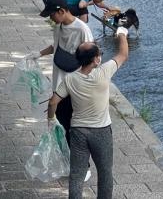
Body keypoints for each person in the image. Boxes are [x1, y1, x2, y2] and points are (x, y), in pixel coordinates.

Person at [47, 26, 129, 199]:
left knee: (77, 175)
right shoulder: (103, 72)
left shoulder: (70, 79)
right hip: (102, 131)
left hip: (78, 132)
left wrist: (51, 119)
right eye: (99, 54)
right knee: (105, 173)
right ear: (96, 60)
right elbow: (123, 54)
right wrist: (122, 33)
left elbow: (53, 101)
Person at [37, 0, 94, 157]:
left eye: (52, 14)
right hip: (59, 85)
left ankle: (84, 166)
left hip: (75, 87)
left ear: (62, 11)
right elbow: (55, 46)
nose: (51, 18)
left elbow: (92, 58)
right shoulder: (58, 27)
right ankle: (68, 160)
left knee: (75, 129)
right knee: (61, 125)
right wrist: (38, 54)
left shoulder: (82, 29)